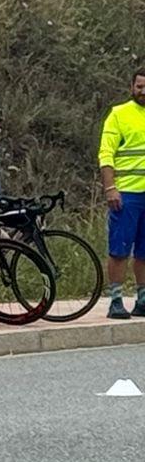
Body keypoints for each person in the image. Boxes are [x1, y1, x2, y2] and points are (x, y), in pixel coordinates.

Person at [98, 65, 145, 318]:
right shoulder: (119, 114)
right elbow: (106, 154)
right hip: (126, 194)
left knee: (144, 251)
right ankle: (116, 300)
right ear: (132, 87)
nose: (143, 91)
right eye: (139, 86)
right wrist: (110, 188)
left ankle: (142, 299)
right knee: (120, 248)